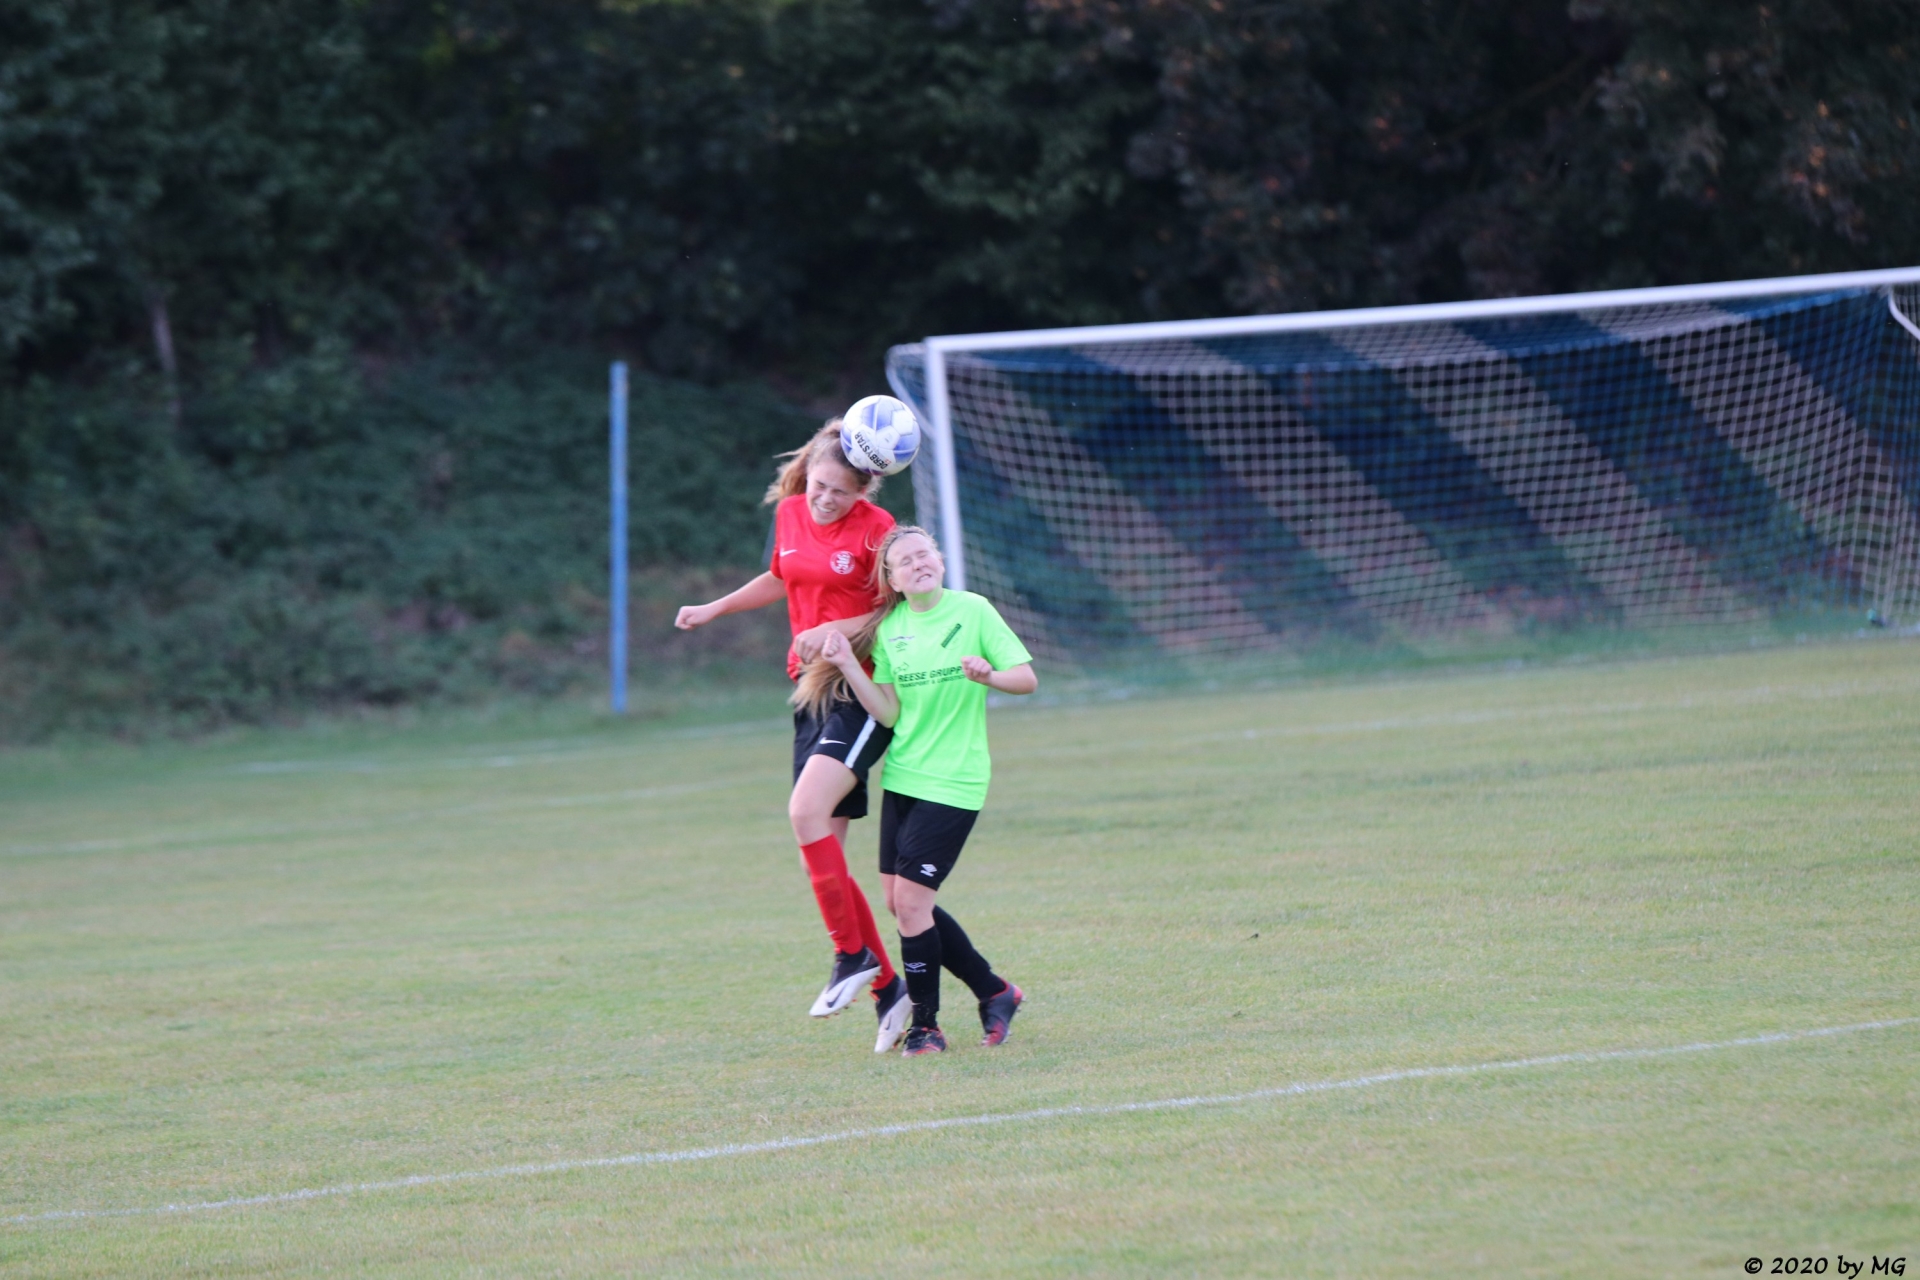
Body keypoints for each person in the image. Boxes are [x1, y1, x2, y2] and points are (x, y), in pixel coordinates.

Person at [674, 423, 912, 1053]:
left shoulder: (878, 529)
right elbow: (781, 577)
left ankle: (852, 956)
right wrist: (714, 607)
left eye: (840, 492)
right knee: (822, 851)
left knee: (804, 814)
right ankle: (888, 989)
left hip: (861, 689)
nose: (824, 499)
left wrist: (833, 633)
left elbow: (895, 609)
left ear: (864, 492)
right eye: (818, 485)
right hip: (810, 694)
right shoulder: (789, 513)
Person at [812, 525, 1036, 1055]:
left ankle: (926, 1027)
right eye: (906, 561)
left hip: (955, 780)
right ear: (892, 580)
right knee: (899, 902)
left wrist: (988, 676)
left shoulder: (973, 610)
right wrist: (847, 665)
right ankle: (994, 991)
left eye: (924, 554)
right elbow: (889, 713)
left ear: (940, 559)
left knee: (912, 903)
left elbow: (1025, 679)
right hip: (903, 777)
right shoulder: (892, 629)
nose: (918, 564)